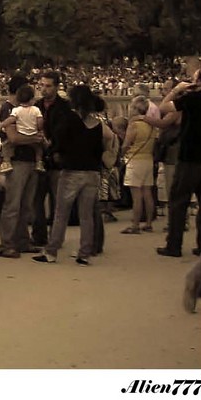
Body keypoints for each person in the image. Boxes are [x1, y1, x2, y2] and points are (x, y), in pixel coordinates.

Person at [32, 85, 115, 266]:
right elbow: (107, 141)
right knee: (87, 215)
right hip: (92, 173)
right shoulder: (97, 123)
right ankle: (85, 253)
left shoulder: (69, 118)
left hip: (71, 171)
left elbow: (59, 142)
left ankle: (52, 251)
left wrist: (49, 150)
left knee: (61, 213)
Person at [157, 68, 201, 258]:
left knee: (178, 201)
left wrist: (176, 90)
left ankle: (174, 244)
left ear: (198, 81)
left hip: (190, 156)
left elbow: (163, 108)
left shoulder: (192, 99)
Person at [31, 71, 72, 246]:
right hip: (39, 157)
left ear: (56, 87)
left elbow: (66, 133)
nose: (44, 89)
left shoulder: (65, 107)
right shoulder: (36, 106)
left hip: (57, 159)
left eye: (48, 86)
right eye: (41, 85)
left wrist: (51, 144)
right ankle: (39, 236)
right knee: (37, 199)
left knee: (58, 201)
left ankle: (56, 237)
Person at [120, 96, 157, 234]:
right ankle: (148, 223)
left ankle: (135, 224)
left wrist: (121, 153)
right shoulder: (151, 124)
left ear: (135, 108)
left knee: (136, 195)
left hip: (135, 160)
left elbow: (126, 144)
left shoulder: (134, 124)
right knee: (147, 193)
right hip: (148, 158)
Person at [0, 84, 44, 174]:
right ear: (32, 99)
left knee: (6, 145)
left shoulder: (16, 110)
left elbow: (11, 119)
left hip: (21, 133)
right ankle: (39, 163)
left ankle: (7, 162)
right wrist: (39, 129)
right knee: (38, 148)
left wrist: (2, 125)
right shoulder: (36, 109)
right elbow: (40, 121)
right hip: (33, 134)